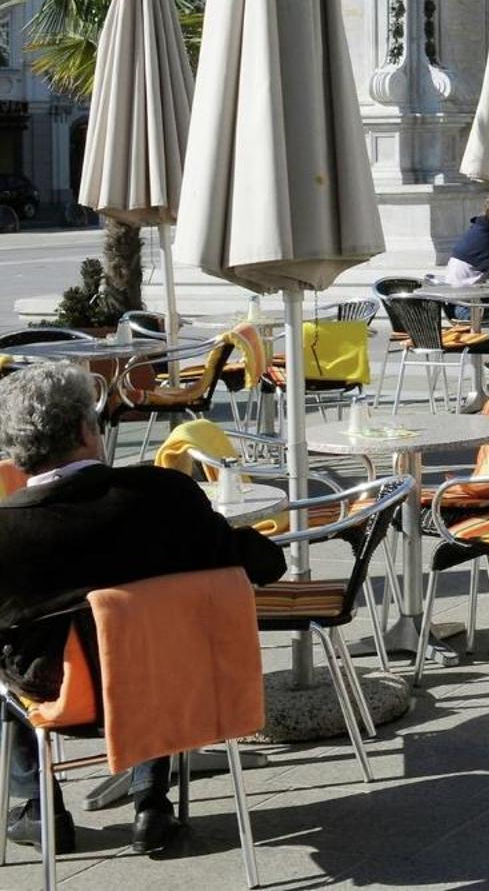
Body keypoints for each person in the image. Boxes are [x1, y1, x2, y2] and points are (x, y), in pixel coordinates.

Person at [0, 363, 286, 856]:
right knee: (152, 637)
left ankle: (37, 805)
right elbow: (263, 563)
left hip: (65, 697)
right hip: (166, 685)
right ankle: (150, 800)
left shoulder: (7, 532)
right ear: (87, 431)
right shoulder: (165, 495)